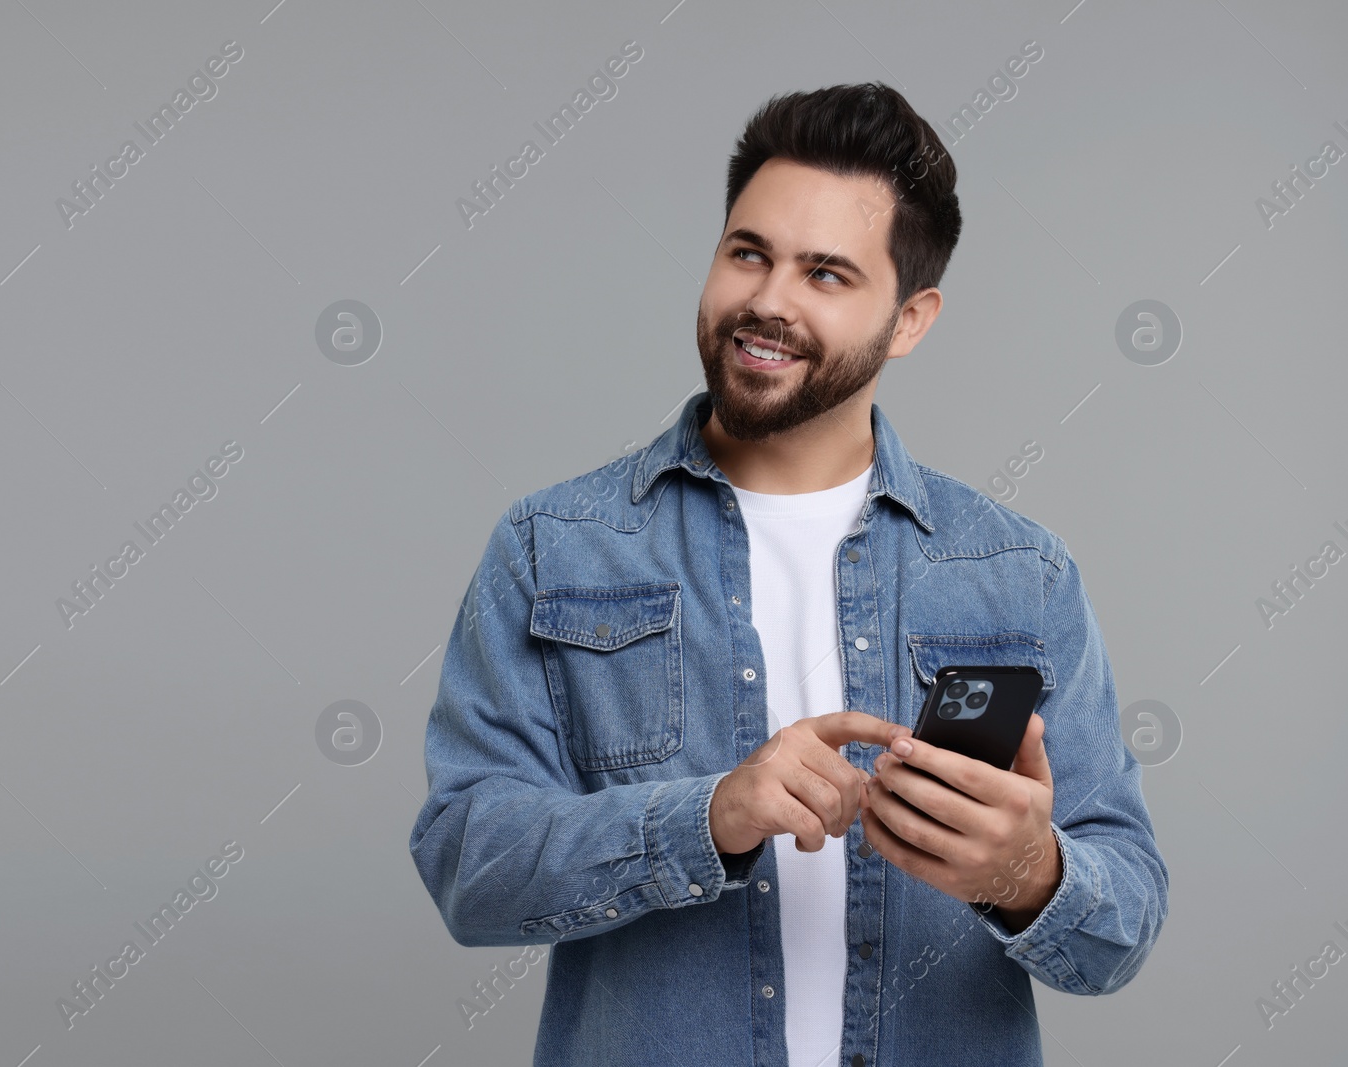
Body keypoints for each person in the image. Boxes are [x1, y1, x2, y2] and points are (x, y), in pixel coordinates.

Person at [409, 83, 1167, 1067]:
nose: (767, 299)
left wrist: (1029, 869)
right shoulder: (555, 546)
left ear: (908, 318)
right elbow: (470, 863)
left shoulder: (1017, 572)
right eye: (747, 253)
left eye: (825, 273)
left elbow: (1124, 924)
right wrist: (711, 813)